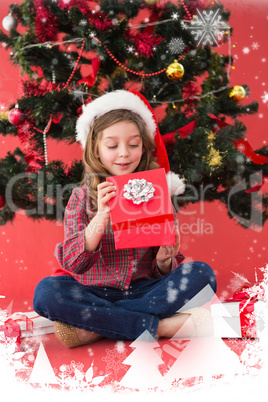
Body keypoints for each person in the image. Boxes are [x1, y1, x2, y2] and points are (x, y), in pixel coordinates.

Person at [33, 90, 217, 348]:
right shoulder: (81, 197)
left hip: (145, 290)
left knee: (202, 275)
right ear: (95, 150)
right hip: (93, 292)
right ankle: (159, 326)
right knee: (46, 293)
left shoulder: (156, 191)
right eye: (112, 145)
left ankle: (99, 325)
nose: (124, 153)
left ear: (143, 146)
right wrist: (100, 217)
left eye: (133, 144)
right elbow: (73, 264)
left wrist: (165, 260)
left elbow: (162, 267)